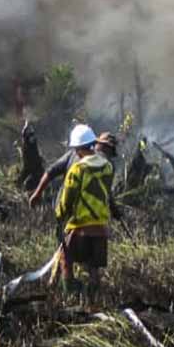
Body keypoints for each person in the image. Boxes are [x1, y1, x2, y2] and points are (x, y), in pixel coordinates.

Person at [54, 123, 114, 305]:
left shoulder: (77, 169)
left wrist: (60, 215)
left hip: (80, 227)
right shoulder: (107, 167)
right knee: (93, 268)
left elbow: (67, 199)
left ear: (79, 148)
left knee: (66, 259)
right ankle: (93, 302)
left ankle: (71, 298)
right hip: (101, 228)